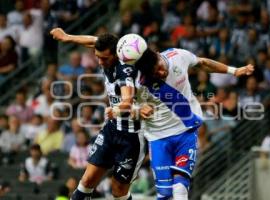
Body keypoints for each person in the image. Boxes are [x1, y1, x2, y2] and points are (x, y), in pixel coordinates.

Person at [133, 47, 254, 200]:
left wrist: (233, 71)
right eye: (155, 74)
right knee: (164, 194)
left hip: (186, 130)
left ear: (158, 54)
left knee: (180, 188)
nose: (161, 73)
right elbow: (125, 105)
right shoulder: (139, 82)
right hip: (158, 137)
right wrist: (137, 109)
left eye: (160, 68)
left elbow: (202, 63)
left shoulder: (177, 56)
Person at [50, 28, 148, 200]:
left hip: (131, 138)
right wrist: (67, 37)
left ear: (117, 55)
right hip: (111, 130)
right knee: (87, 181)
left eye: (104, 58)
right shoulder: (106, 50)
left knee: (118, 191)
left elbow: (127, 100)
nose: (100, 62)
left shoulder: (125, 70)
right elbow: (92, 41)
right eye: (97, 57)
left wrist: (117, 109)